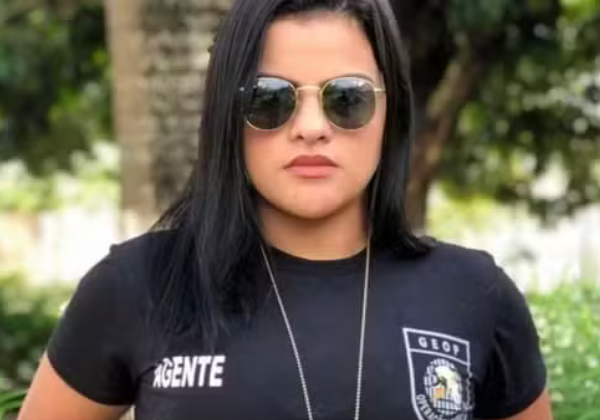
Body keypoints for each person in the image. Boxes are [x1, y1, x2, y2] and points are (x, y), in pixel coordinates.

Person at [17, 0, 554, 419]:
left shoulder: (475, 294)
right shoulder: (138, 285)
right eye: (270, 99)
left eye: (347, 98)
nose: (311, 127)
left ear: (390, 111)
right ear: (227, 114)